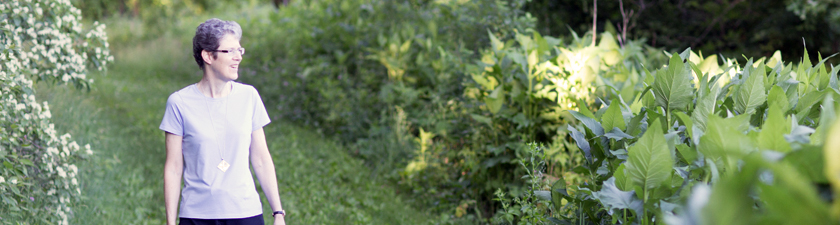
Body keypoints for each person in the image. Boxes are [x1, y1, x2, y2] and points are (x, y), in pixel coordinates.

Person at [160, 18, 286, 225]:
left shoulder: (249, 96)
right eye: (231, 51)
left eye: (240, 50)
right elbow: (173, 168)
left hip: (245, 213)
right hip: (197, 216)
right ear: (208, 56)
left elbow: (261, 159)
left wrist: (278, 213)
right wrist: (170, 222)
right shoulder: (179, 103)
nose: (238, 57)